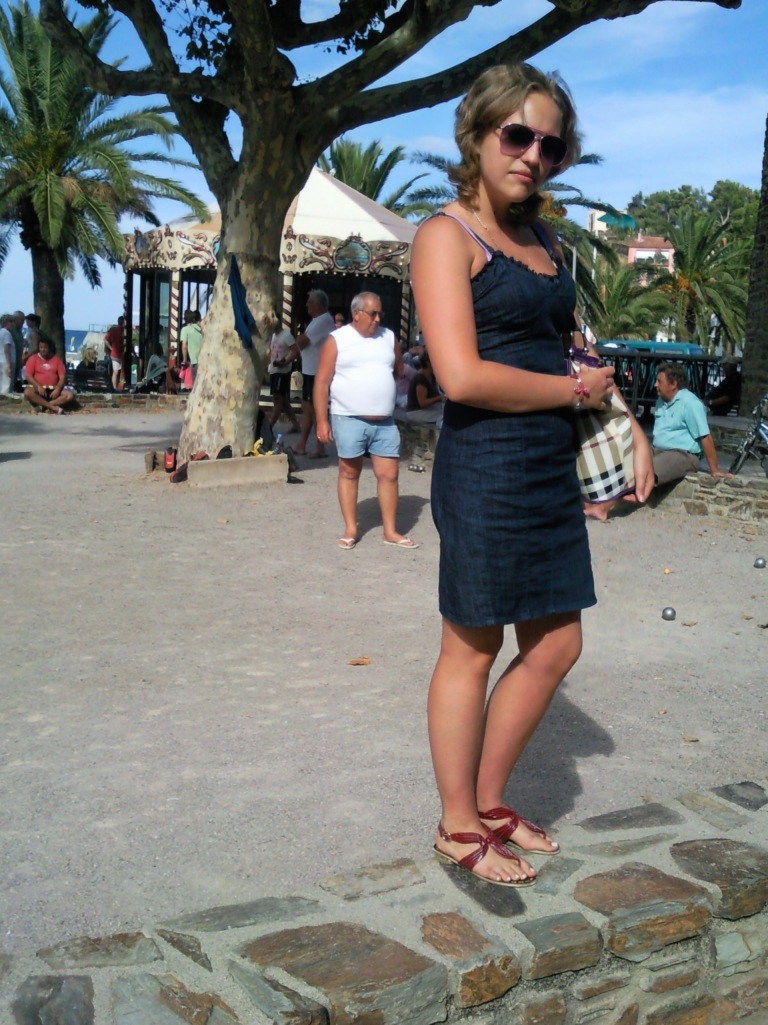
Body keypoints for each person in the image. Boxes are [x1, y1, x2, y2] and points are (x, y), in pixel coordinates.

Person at [410, 63, 653, 886]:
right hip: (485, 466)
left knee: (557, 644)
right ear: (477, 135)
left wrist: (623, 419)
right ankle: (456, 824)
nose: (532, 155)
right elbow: (461, 375)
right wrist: (572, 393)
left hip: (550, 465)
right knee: (472, 646)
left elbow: (575, 348)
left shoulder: (545, 240)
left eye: (551, 144)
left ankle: (487, 799)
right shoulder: (446, 238)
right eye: (517, 135)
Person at [314, 292, 419, 550]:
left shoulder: (389, 337)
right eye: (373, 313)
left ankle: (390, 531)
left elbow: (397, 370)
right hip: (348, 417)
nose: (377, 318)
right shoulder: (337, 340)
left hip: (384, 421)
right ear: (356, 314)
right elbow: (322, 382)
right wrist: (321, 421)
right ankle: (351, 528)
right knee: (349, 472)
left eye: (380, 313)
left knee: (390, 473)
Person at [652, 362, 731, 485]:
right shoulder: (660, 401)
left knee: (648, 469)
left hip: (682, 455)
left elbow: (705, 437)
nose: (655, 385)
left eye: (659, 381)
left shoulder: (690, 403)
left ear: (673, 384)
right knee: (629, 462)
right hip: (657, 450)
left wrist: (714, 470)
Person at [285, 290, 335, 457]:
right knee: (307, 408)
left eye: (310, 302)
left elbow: (302, 341)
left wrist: (297, 341)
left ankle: (320, 446)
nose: (307, 305)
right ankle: (302, 444)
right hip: (309, 370)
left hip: (316, 371)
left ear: (318, 304)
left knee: (314, 408)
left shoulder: (324, 320)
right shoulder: (317, 321)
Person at [23, 337, 75, 413]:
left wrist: (58, 389)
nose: (43, 350)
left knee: (69, 395)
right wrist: (38, 386)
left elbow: (62, 377)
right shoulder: (33, 359)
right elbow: (29, 376)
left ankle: (44, 406)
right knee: (28, 392)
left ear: (49, 348)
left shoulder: (57, 360)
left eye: (45, 348)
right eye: (41, 347)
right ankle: (53, 408)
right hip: (39, 389)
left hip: (53, 389)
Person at [267, 320, 300, 431]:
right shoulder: (273, 336)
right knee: (284, 400)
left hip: (282, 372)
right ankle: (296, 425)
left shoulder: (286, 335)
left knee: (277, 399)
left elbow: (296, 351)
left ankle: (269, 426)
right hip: (274, 370)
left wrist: (286, 362)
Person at [406, 350, 445, 425]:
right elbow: (423, 403)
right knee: (444, 416)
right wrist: (439, 398)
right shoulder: (420, 378)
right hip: (416, 412)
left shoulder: (432, 376)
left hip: (428, 410)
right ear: (428, 362)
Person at [180, 309, 203, 382]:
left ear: (185, 319)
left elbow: (184, 346)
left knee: (195, 384)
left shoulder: (185, 330)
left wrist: (184, 360)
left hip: (195, 362)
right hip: (204, 360)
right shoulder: (201, 329)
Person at [105, 316, 126, 391]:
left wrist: (111, 348)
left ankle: (115, 387)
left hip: (115, 354)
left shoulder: (113, 330)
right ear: (123, 322)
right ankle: (116, 387)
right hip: (117, 354)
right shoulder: (119, 330)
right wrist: (112, 348)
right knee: (117, 372)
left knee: (116, 372)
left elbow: (106, 340)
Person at [1, 313, 15, 394]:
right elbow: (7, 349)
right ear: (7, 322)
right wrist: (9, 365)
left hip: (1, 359)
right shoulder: (7, 333)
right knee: (6, 384)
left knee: (1, 382)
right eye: (11, 321)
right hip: (6, 361)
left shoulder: (1, 332)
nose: (13, 324)